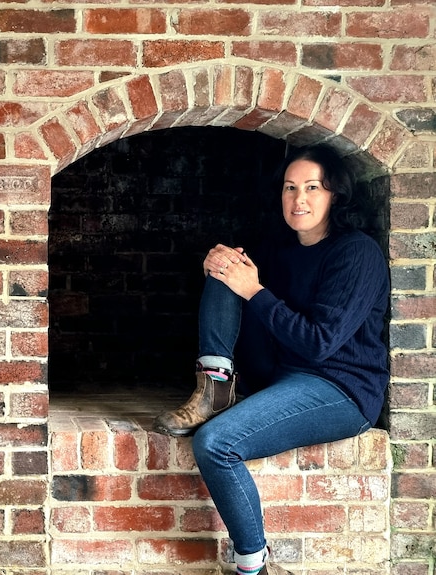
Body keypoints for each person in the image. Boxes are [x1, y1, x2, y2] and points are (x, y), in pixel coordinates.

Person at [153, 144, 389, 575]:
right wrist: (227, 267)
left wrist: (254, 291)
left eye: (313, 188)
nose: (299, 199)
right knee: (229, 265)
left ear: (334, 194)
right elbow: (249, 297)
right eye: (290, 188)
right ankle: (214, 387)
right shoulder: (279, 247)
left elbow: (320, 344)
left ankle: (252, 564)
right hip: (281, 374)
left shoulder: (357, 254)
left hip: (339, 389)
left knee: (215, 443)